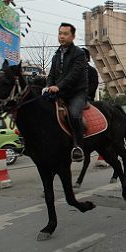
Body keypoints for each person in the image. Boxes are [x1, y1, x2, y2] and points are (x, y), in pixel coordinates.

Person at [44, 23, 88, 162]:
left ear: (73, 36)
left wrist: (59, 87)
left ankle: (78, 146)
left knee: (74, 114)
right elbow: (51, 74)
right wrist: (48, 86)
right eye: (60, 33)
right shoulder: (56, 55)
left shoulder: (79, 54)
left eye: (65, 34)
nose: (61, 36)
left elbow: (73, 75)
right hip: (60, 93)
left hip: (77, 93)